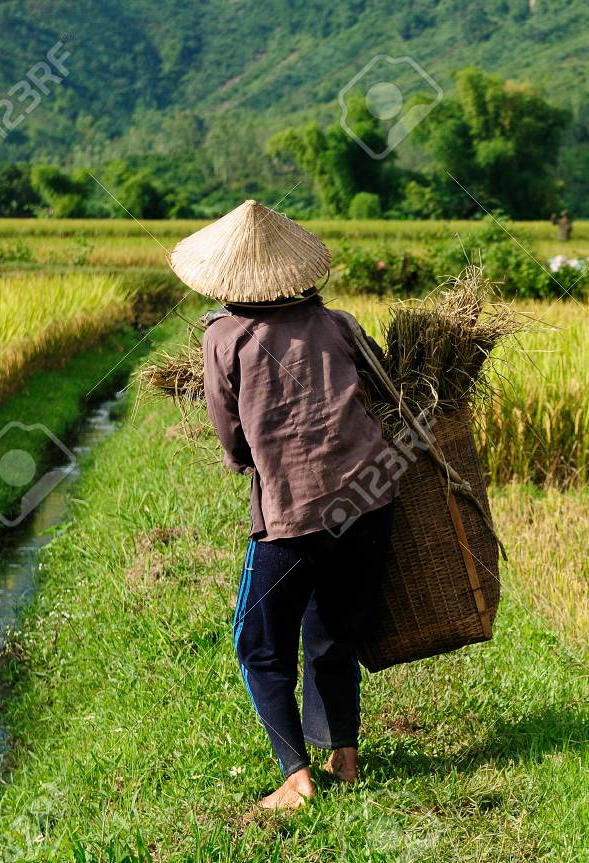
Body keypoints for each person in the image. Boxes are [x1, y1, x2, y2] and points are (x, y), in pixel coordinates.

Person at [170, 200, 399, 811]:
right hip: (370, 502)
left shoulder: (224, 336)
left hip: (293, 516)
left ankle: (295, 778)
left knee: (258, 643)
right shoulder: (341, 323)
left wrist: (255, 460)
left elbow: (231, 438)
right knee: (333, 630)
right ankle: (343, 756)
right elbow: (385, 391)